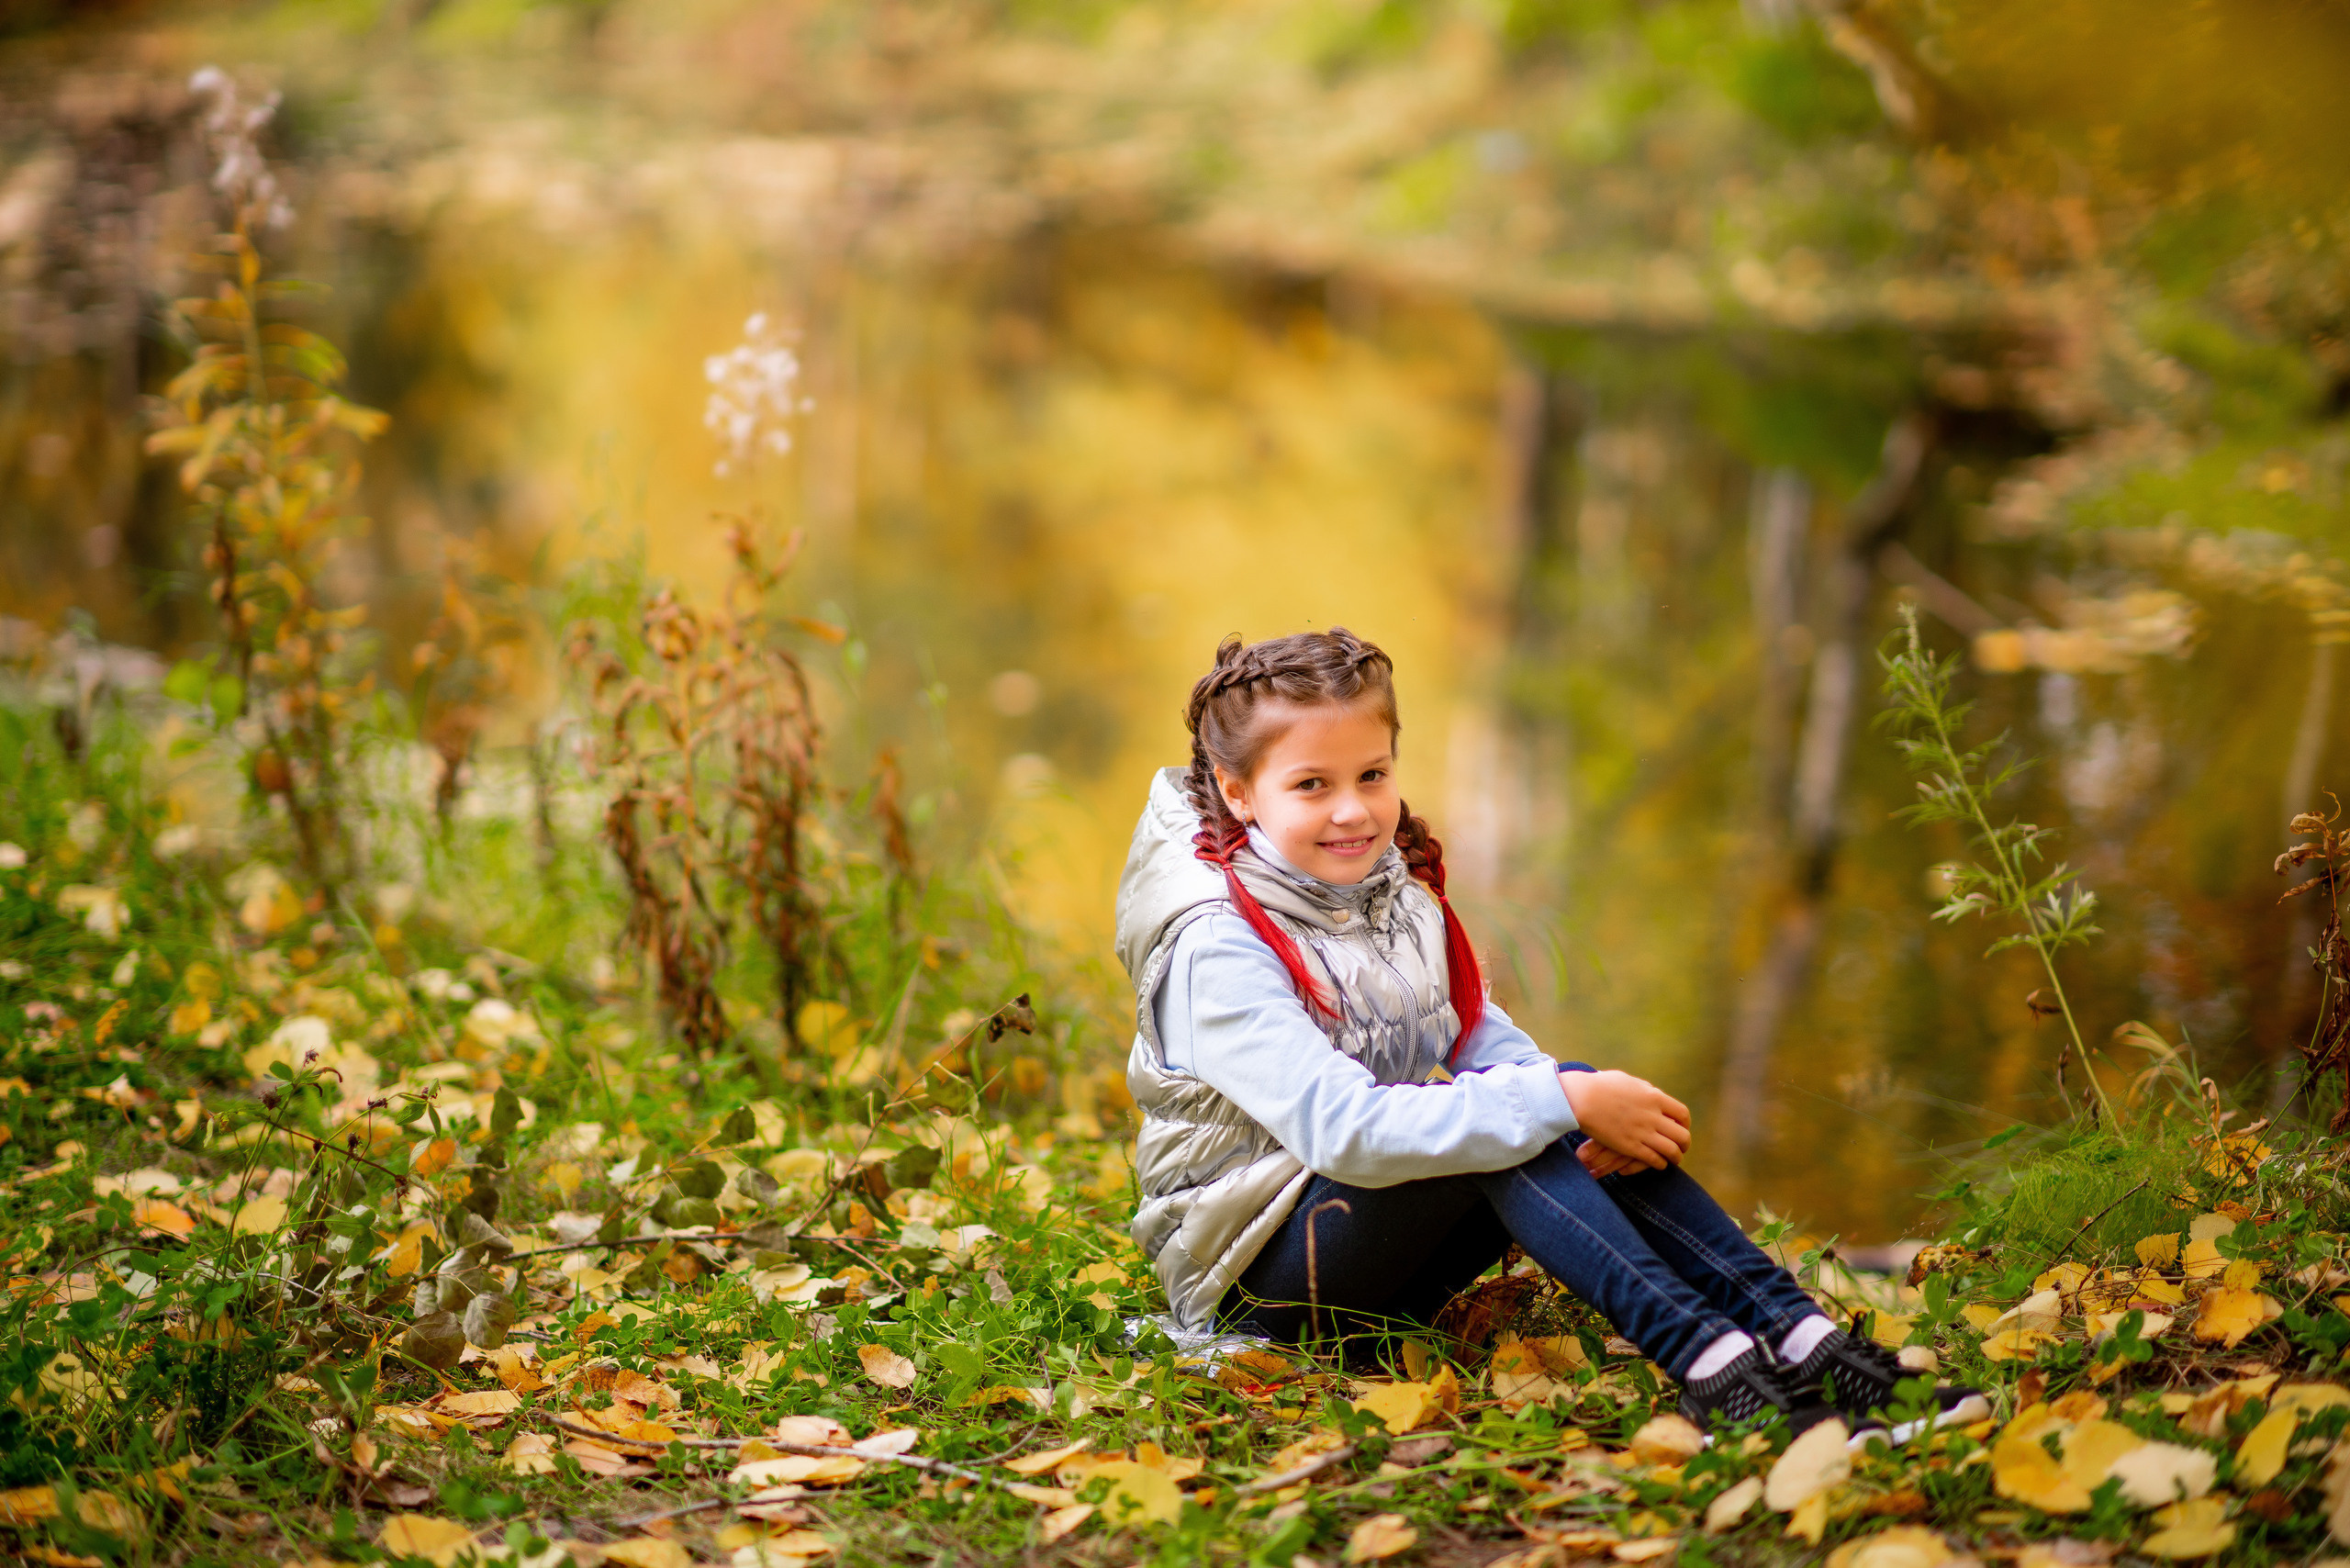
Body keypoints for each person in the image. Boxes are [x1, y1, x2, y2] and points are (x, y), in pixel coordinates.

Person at [1117, 628, 1986, 1438]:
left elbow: (1474, 1037)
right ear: (1239, 793)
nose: (1354, 811)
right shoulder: (1213, 943)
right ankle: (1716, 1370)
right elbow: (1345, 1133)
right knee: (1511, 1119)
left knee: (1532, 1100)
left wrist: (1570, 1098)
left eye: (1372, 776)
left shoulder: (1383, 884)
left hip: (1366, 1244)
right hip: (1256, 1281)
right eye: (1313, 785)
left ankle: (1809, 1349)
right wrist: (1555, 1100)